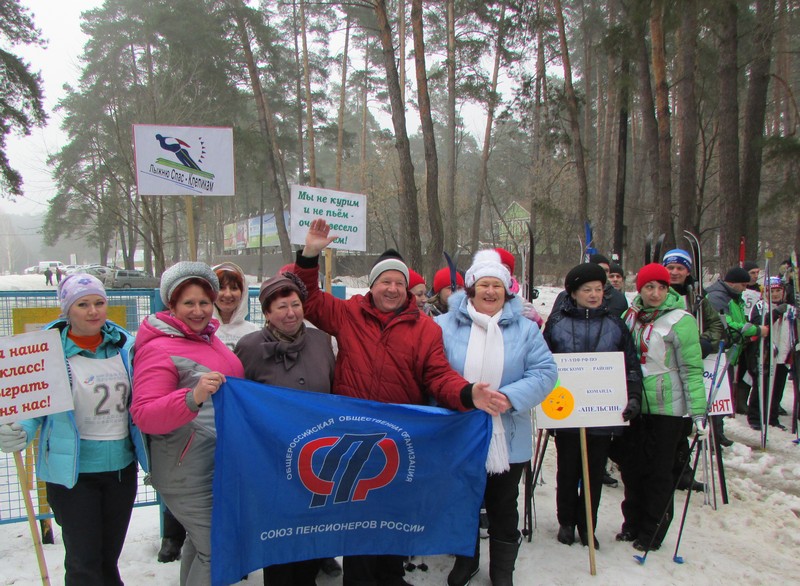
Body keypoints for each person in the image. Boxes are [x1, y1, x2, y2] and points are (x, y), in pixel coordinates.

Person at [295, 218, 510, 586]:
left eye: (399, 282)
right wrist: (309, 256)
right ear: (372, 285)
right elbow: (310, 300)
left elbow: (438, 375)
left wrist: (467, 393)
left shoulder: (425, 328)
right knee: (358, 519)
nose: (392, 288)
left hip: (397, 439)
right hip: (353, 438)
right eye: (385, 281)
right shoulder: (348, 314)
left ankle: (391, 577)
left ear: (407, 288)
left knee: (393, 515)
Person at [0, 273, 145, 585]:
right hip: (73, 475)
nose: (93, 311)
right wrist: (20, 431)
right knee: (83, 562)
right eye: (82, 304)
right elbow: (34, 406)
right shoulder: (47, 352)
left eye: (99, 303)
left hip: (121, 470)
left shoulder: (125, 348)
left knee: (108, 559)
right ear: (67, 310)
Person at [435, 249, 558, 586]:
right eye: (484, 285)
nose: (490, 292)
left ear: (507, 290)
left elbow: (545, 372)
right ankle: (466, 561)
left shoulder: (526, 329)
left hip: (508, 432)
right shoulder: (442, 326)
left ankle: (503, 570)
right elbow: (433, 371)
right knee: (463, 502)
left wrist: (508, 397)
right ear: (471, 288)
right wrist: (464, 396)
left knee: (503, 504)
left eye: (497, 286)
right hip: (459, 431)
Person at [131, 261, 244, 586]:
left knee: (202, 544)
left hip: (214, 462)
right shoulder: (158, 348)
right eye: (188, 303)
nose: (198, 311)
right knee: (218, 548)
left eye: (204, 302)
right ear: (172, 304)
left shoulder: (207, 339)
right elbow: (145, 414)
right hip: (185, 469)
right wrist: (192, 397)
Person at [234, 271, 336, 586]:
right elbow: (240, 400)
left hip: (317, 459)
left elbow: (334, 392)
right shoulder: (250, 347)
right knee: (278, 537)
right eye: (281, 307)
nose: (290, 313)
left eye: (295, 305)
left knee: (310, 532)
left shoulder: (321, 341)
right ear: (266, 313)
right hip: (273, 461)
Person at [542, 263, 642, 550]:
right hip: (567, 412)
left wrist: (633, 396)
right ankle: (566, 521)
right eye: (587, 290)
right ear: (573, 293)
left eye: (598, 289)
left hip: (602, 412)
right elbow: (543, 364)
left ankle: (587, 525)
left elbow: (630, 366)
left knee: (594, 472)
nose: (594, 294)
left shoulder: (615, 325)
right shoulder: (557, 324)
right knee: (567, 469)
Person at [617, 263, 707, 552]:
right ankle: (632, 523)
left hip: (667, 408)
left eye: (661, 287)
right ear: (640, 289)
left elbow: (692, 369)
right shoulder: (630, 316)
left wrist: (698, 412)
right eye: (649, 287)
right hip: (634, 405)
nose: (655, 293)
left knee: (658, 472)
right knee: (632, 469)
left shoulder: (680, 320)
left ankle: (652, 530)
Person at [706, 267, 769, 415]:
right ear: (732, 283)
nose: (745, 289)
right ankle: (716, 426)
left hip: (730, 352)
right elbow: (727, 325)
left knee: (722, 399)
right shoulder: (718, 297)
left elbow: (740, 321)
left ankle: (720, 424)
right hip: (718, 352)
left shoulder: (734, 297)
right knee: (716, 398)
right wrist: (756, 330)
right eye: (743, 285)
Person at [747, 277, 791, 430]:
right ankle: (755, 417)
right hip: (764, 353)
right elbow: (759, 325)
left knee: (778, 387)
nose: (776, 294)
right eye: (772, 291)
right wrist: (775, 313)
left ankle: (772, 417)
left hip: (782, 353)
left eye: (778, 290)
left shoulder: (789, 308)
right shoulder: (760, 306)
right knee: (762, 386)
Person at [212, 262, 259, 350]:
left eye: (234, 288)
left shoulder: (253, 332)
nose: (228, 294)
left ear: (243, 293)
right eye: (221, 288)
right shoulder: (201, 331)